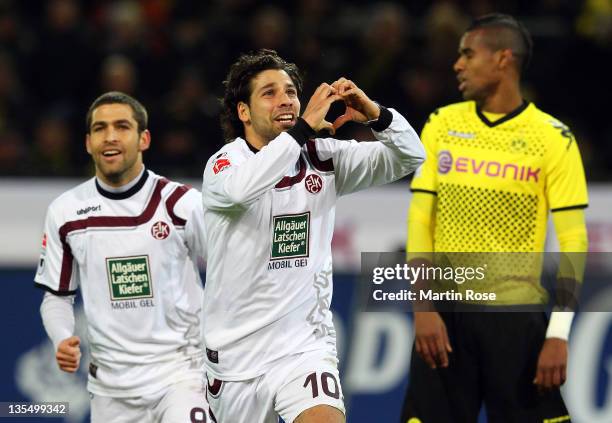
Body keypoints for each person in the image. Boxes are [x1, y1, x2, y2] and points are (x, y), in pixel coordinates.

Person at [201, 49, 425, 423]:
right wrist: (302, 129)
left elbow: (409, 157)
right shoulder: (225, 164)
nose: (286, 99)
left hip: (304, 349)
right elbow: (244, 189)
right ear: (244, 112)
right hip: (235, 358)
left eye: (291, 91)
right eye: (269, 93)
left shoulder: (323, 158)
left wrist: (376, 115)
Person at [401, 14, 588, 423]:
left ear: (503, 59)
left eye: (468, 54)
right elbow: (420, 220)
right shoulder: (441, 124)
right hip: (446, 317)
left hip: (516, 321)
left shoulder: (553, 138)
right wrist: (423, 308)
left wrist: (558, 335)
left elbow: (574, 241)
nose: (457, 65)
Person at [35, 92, 209, 423]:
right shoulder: (66, 211)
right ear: (88, 142)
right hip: (111, 390)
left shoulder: (182, 204)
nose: (110, 136)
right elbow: (56, 298)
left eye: (122, 126)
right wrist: (62, 338)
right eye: (100, 128)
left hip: (182, 375)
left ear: (144, 138)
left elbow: (228, 271)